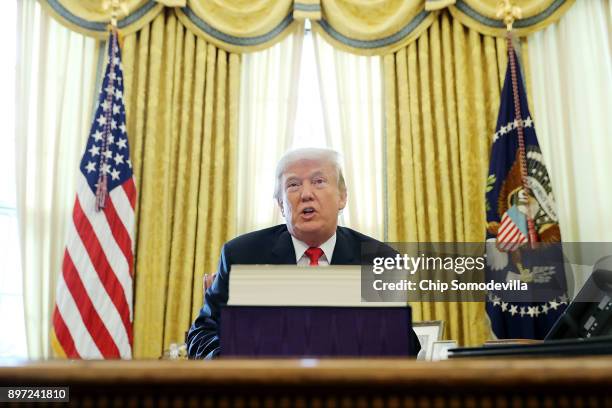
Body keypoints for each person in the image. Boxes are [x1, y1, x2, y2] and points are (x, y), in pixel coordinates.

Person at [186, 147, 420, 358]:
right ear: (280, 204)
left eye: (319, 181)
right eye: (293, 185)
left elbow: (406, 347)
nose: (306, 194)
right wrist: (237, 363)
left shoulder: (379, 260)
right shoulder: (242, 256)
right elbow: (202, 334)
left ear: (342, 197)